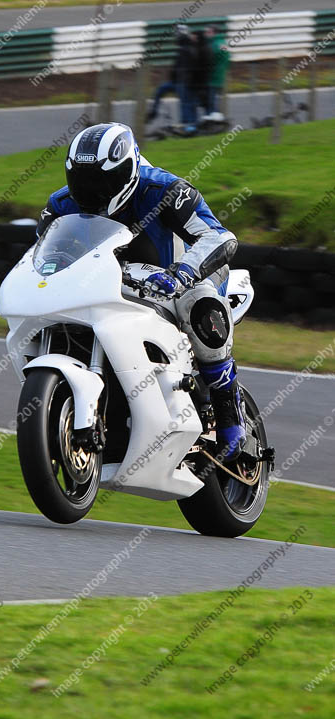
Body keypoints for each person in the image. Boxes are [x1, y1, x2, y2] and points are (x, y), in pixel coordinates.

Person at [37, 122, 245, 462]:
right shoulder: (61, 204)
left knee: (200, 300)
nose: (92, 191)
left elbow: (218, 237)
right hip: (109, 282)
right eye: (83, 181)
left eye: (102, 182)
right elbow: (42, 256)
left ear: (128, 170)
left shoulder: (165, 190)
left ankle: (227, 408)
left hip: (179, 273)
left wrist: (183, 273)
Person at [147, 24, 198, 134]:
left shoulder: (188, 48)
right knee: (161, 90)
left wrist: (185, 80)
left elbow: (188, 67)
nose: (176, 37)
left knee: (185, 104)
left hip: (184, 82)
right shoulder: (183, 48)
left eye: (177, 34)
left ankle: (188, 126)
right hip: (178, 81)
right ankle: (153, 112)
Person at [205, 25, 230, 117]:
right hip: (220, 75)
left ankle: (213, 119)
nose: (206, 34)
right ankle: (215, 117)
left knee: (211, 101)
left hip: (212, 76)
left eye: (208, 32)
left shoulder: (213, 44)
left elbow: (209, 58)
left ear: (214, 33)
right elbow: (227, 56)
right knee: (215, 99)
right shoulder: (223, 43)